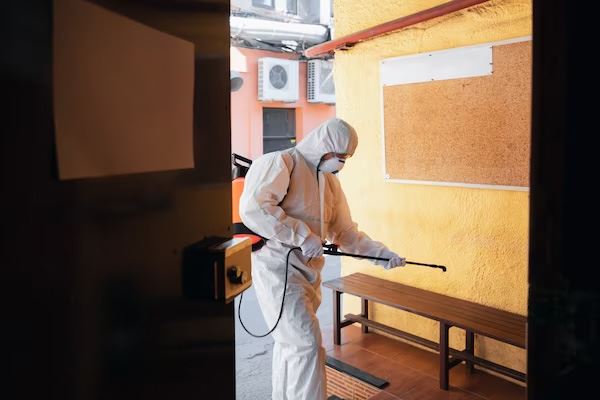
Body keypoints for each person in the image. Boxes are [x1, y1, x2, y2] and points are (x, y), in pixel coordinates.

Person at [239, 118, 406, 400]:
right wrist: (303, 236)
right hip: (278, 271)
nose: (340, 163)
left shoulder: (330, 183)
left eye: (345, 158)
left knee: (291, 345)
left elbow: (346, 232)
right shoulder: (282, 163)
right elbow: (254, 209)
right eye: (338, 155)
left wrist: (382, 255)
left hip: (309, 272)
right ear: (322, 145)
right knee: (306, 345)